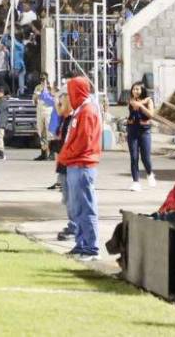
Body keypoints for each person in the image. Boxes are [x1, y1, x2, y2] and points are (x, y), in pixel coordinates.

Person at [58, 76, 102, 260]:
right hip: (75, 163)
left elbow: (83, 141)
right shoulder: (80, 110)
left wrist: (65, 155)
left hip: (82, 163)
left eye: (70, 92)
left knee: (86, 206)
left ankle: (91, 248)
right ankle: (81, 243)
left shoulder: (88, 111)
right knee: (77, 207)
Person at [126, 82, 156, 191]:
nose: (135, 91)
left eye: (138, 89)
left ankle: (149, 173)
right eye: (134, 89)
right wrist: (139, 105)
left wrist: (141, 106)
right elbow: (133, 106)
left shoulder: (149, 100)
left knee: (145, 157)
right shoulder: (131, 100)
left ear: (142, 90)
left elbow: (151, 114)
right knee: (134, 157)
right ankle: (136, 182)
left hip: (144, 132)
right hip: (132, 131)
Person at [33, 73, 55, 161]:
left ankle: (52, 153)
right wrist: (37, 95)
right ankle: (43, 152)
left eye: (44, 79)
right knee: (41, 132)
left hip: (49, 111)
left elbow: (53, 98)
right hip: (40, 110)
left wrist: (47, 89)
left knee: (50, 133)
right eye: (41, 79)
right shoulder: (38, 87)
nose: (42, 80)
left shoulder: (51, 87)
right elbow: (34, 99)